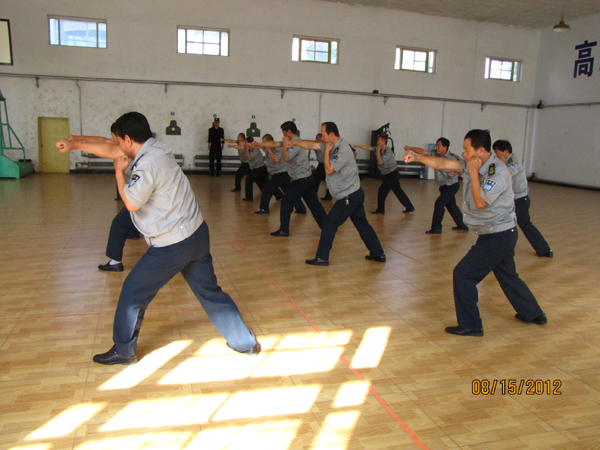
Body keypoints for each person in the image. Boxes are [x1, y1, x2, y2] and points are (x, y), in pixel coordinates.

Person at [57, 112, 260, 364]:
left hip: (173, 245)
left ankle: (124, 350)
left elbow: (131, 203)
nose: (116, 145)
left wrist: (119, 173)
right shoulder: (157, 149)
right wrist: (75, 143)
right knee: (209, 291)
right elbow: (111, 148)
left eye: (119, 140)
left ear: (128, 139)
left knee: (132, 291)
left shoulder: (147, 165)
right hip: (196, 234)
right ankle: (245, 342)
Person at [402, 129, 547, 336]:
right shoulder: (474, 163)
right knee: (507, 276)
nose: (463, 153)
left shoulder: (497, 172)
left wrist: (471, 171)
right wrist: (417, 158)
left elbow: (480, 202)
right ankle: (533, 314)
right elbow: (442, 164)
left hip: (498, 235)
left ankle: (471, 325)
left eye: (467, 149)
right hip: (498, 234)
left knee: (463, 275)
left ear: (480, 150)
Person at [289, 122, 386, 266]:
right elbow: (312, 145)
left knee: (329, 223)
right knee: (362, 225)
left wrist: (326, 152)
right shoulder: (330, 145)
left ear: (332, 134)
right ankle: (378, 254)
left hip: (349, 196)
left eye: (323, 134)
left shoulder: (343, 150)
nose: (321, 138)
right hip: (354, 193)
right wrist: (295, 143)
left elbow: (329, 170)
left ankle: (322, 258)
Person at [66, 125, 140, 272]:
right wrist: (79, 138)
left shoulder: (127, 150)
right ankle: (133, 232)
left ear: (125, 138)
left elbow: (109, 149)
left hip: (141, 195)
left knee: (119, 223)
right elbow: (104, 141)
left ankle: (115, 262)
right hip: (138, 193)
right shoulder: (133, 146)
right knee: (131, 216)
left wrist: (75, 144)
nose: (112, 139)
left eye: (114, 136)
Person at [264, 121, 327, 237]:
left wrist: (284, 144)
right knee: (314, 205)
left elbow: (286, 158)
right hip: (307, 178)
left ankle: (284, 230)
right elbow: (275, 143)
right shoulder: (291, 142)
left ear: (289, 131)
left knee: (286, 201)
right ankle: (327, 227)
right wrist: (257, 144)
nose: (283, 135)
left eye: (284, 133)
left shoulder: (295, 143)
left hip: (302, 180)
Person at [492, 139, 553, 258]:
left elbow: (508, 174)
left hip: (519, 199)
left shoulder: (514, 162)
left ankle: (544, 249)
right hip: (512, 199)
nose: (497, 156)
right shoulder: (503, 162)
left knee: (522, 223)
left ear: (506, 152)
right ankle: (498, 247)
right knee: (502, 221)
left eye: (498, 153)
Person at [404, 138, 468, 234]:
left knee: (439, 204)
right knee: (451, 205)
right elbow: (422, 151)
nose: (436, 147)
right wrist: (410, 148)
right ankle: (462, 226)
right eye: (436, 145)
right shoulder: (434, 153)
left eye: (439, 145)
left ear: (445, 147)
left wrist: (454, 173)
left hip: (452, 185)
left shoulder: (452, 157)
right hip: (443, 186)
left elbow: (461, 167)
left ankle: (436, 228)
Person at [355, 136, 414, 214]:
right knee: (398, 192)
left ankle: (380, 210)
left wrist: (378, 151)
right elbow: (368, 148)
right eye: (377, 140)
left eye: (379, 140)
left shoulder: (387, 151)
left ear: (384, 142)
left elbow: (380, 162)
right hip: (389, 174)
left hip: (392, 174)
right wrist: (357, 146)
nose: (377, 142)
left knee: (382, 191)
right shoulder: (379, 149)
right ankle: (410, 207)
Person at [251, 134, 306, 215]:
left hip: (281, 173)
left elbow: (276, 160)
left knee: (267, 188)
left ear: (270, 141)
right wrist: (254, 144)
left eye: (265, 142)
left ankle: (264, 209)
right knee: (290, 192)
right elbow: (259, 146)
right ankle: (301, 208)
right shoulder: (266, 147)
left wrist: (269, 150)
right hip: (278, 174)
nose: (264, 144)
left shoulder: (278, 149)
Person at [242, 137, 268, 201]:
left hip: (260, 169)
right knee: (266, 184)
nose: (245, 144)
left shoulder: (255, 149)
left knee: (248, 180)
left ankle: (249, 197)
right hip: (258, 169)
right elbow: (240, 147)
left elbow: (249, 158)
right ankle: (279, 195)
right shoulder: (251, 149)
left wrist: (247, 149)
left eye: (246, 143)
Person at [312, 133, 332, 200]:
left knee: (317, 178)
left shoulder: (321, 145)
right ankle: (315, 192)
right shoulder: (319, 144)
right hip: (321, 163)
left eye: (317, 137)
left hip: (324, 164)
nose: (316, 139)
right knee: (320, 179)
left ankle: (315, 192)